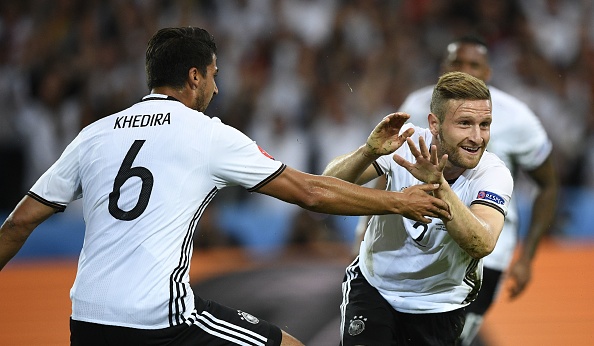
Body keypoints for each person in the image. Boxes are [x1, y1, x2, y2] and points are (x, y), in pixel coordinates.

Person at [0, 27, 452, 346]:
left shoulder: (94, 134)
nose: (216, 88)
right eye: (214, 75)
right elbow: (311, 192)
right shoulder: (206, 133)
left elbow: (19, 224)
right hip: (160, 317)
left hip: (88, 319)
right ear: (195, 76)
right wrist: (398, 201)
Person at [324, 71, 514, 345]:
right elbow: (327, 184)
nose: (477, 137)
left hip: (441, 304)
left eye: (485, 124)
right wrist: (368, 151)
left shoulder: (492, 173)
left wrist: (438, 184)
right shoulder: (405, 142)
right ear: (434, 124)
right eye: (464, 123)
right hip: (375, 289)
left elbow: (481, 243)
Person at [393, 35, 559, 344]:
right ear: (444, 68)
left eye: (474, 64)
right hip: (422, 243)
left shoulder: (516, 117)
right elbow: (390, 165)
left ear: (488, 72)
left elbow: (548, 184)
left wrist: (527, 257)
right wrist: (366, 227)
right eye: (458, 63)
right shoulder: (415, 106)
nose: (466, 70)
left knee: (453, 338)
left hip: (487, 251)